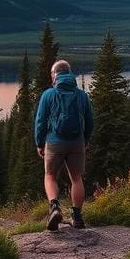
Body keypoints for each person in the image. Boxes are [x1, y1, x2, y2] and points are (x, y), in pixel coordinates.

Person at [35, 59, 94, 231]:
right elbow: (90, 121)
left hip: (54, 142)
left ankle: (54, 207)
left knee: (50, 176)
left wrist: (39, 143)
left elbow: (40, 122)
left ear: (55, 75)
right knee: (76, 179)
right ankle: (77, 217)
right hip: (77, 143)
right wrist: (86, 140)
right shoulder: (82, 95)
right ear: (69, 74)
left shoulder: (48, 95)